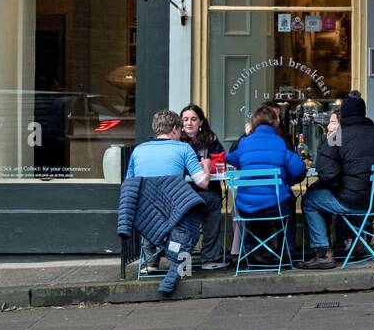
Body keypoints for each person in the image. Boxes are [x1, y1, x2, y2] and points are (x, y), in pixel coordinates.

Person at [299, 91, 374, 270]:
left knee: (310, 200)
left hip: (352, 200)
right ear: (364, 113)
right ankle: (359, 244)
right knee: (352, 197)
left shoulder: (336, 137)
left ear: (343, 115)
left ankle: (323, 254)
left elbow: (327, 174)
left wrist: (343, 186)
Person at [123, 109, 210, 294]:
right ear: (176, 129)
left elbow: (130, 182)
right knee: (197, 210)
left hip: (147, 215)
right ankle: (183, 267)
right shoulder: (184, 148)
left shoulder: (138, 150)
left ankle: (150, 263)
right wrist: (207, 167)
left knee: (150, 208)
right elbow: (202, 182)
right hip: (174, 212)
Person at [225, 103, 306, 266]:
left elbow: (229, 158)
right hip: (275, 206)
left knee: (257, 205)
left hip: (246, 207)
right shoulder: (280, 143)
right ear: (275, 123)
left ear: (253, 124)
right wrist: (288, 181)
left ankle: (254, 252)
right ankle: (286, 252)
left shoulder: (244, 143)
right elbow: (299, 168)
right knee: (287, 202)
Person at [181, 103, 227, 270]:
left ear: (201, 122)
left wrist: (203, 167)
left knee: (213, 200)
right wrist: (201, 167)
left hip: (206, 190)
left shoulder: (210, 139)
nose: (189, 123)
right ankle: (210, 257)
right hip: (184, 192)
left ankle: (210, 258)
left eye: (193, 119)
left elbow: (220, 160)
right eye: (185, 119)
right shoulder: (177, 140)